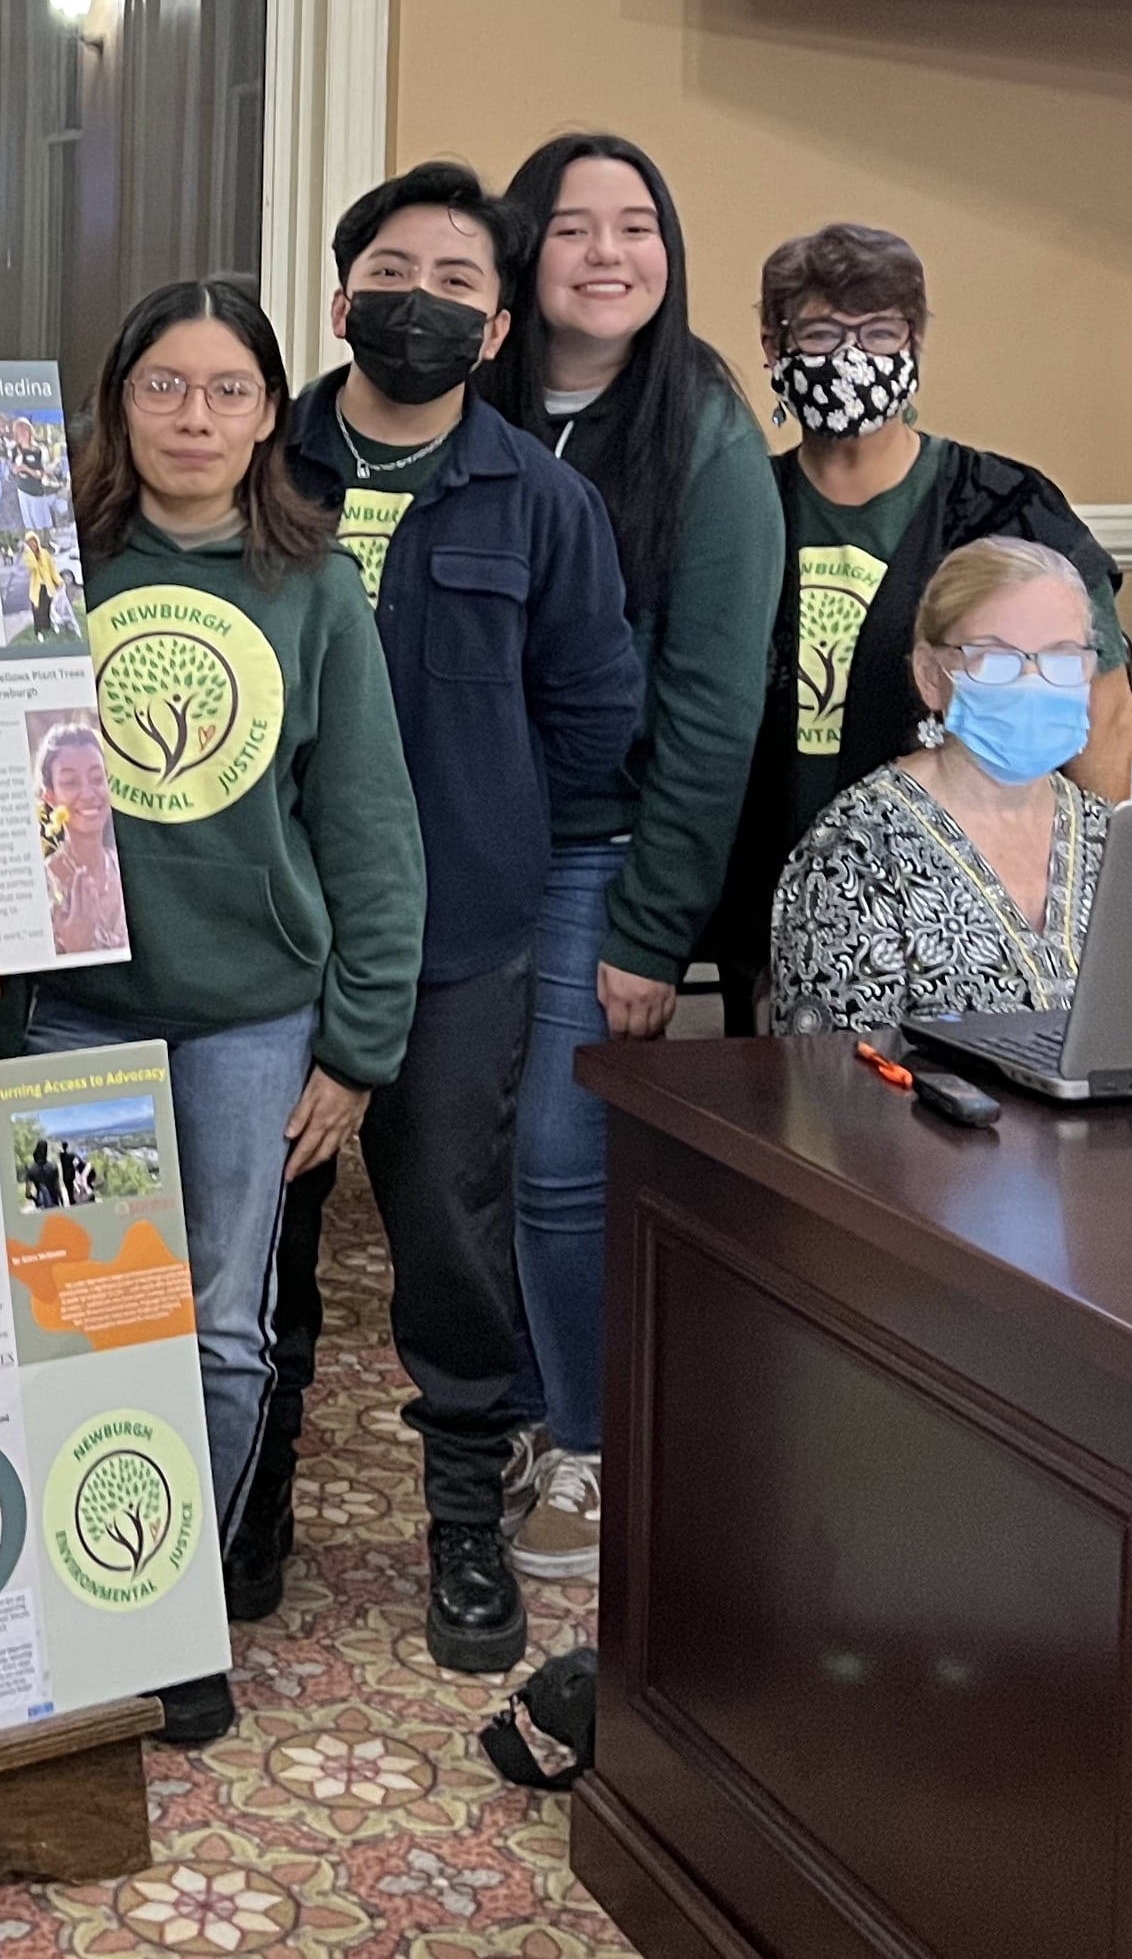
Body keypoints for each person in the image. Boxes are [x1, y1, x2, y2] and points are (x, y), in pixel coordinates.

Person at [0, 277, 424, 1748]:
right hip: (71, 1015)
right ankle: (68, 1600)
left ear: (269, 412)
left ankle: (168, 1608)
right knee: (80, 1328)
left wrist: (358, 1043)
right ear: (115, 401)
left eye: (227, 388)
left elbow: (365, 824)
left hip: (247, 1019)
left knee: (222, 1330)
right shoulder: (38, 562)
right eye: (164, 384)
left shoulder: (313, 583)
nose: (194, 416)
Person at [253, 162, 640, 1671]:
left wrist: (461, 822)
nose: (423, 301)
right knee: (254, 1235)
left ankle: (464, 1527)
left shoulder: (542, 502)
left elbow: (589, 716)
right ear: (341, 298)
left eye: (461, 283)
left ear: (491, 331)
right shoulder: (256, 465)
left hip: (461, 939)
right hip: (261, 934)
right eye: (394, 272)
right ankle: (250, 1499)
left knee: (452, 1239)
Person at [475, 132, 779, 1586]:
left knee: (554, 1155)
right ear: (524, 251)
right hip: (444, 853)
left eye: (638, 226)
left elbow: (717, 704)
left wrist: (655, 925)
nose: (608, 253)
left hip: (597, 856)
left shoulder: (703, 434)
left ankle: (592, 1444)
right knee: (468, 1161)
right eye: (576, 227)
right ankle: (524, 1408)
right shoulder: (460, 402)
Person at [713, 222, 1132, 1029]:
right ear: (774, 345)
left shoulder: (1005, 502)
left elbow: (1106, 717)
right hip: (765, 885)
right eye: (822, 332)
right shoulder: (738, 505)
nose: (852, 355)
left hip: (963, 897)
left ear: (915, 343)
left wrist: (1089, 913)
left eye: (880, 331)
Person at [770, 538, 1113, 1032]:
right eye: (998, 660)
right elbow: (835, 1078)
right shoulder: (854, 852)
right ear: (932, 676)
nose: (1033, 683)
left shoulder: (1109, 837)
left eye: (1061, 659)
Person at [38, 721, 128, 954]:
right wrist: (76, 945)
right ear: (50, 797)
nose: (89, 794)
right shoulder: (41, 886)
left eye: (97, 778)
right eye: (70, 782)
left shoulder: (125, 868)